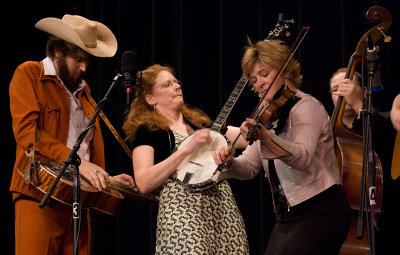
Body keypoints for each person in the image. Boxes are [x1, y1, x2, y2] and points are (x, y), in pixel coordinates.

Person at [9, 14, 136, 255]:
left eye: (87, 60)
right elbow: (28, 135)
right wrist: (81, 165)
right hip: (38, 194)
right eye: (78, 60)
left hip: (80, 198)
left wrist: (105, 179)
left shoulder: (84, 89)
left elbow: (85, 144)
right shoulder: (30, 74)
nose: (84, 67)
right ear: (57, 50)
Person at [213, 39, 351, 255]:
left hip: (321, 210)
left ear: (285, 71)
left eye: (265, 74)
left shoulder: (306, 106)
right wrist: (229, 163)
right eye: (254, 79)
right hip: (287, 217)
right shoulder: (268, 118)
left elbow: (302, 158)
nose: (259, 83)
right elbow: (249, 166)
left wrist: (267, 138)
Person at [122, 64, 249, 254]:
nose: (176, 86)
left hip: (221, 206)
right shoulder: (148, 131)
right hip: (183, 210)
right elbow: (143, 182)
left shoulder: (200, 124)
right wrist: (185, 149)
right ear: (150, 98)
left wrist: (252, 131)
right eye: (167, 84)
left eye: (176, 82)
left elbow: (245, 140)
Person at [330, 68, 400, 254]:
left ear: (361, 90)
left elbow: (388, 140)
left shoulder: (382, 120)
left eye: (347, 86)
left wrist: (359, 105)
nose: (341, 93)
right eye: (335, 89)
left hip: (384, 221)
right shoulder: (327, 133)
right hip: (337, 220)